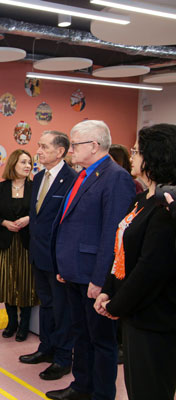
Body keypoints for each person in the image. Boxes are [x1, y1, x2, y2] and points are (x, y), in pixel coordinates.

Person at [46, 120, 135, 400]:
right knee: (81, 335)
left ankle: (102, 394)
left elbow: (113, 234)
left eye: (75, 144)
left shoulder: (116, 177)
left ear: (94, 146)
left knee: (101, 340)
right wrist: (63, 265)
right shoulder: (83, 174)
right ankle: (81, 386)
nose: (70, 149)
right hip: (74, 271)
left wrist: (100, 280)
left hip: (94, 276)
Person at [95, 123, 176, 400]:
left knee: (150, 391)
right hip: (134, 315)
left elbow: (150, 268)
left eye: (137, 151)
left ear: (154, 157)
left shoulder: (165, 207)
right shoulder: (141, 199)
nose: (132, 156)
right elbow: (121, 252)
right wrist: (108, 289)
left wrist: (117, 305)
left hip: (155, 319)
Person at [19, 131, 76, 381]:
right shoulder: (40, 176)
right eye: (39, 146)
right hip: (38, 254)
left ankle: (63, 358)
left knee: (62, 309)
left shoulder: (72, 179)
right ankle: (46, 347)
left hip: (58, 257)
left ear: (60, 151)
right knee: (46, 305)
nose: (38, 151)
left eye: (44, 147)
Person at [0, 149, 36, 342]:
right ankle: (11, 323)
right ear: (13, 164)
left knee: (26, 284)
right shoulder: (0, 188)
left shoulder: (35, 187)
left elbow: (41, 213)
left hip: (27, 243)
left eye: (29, 162)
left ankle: (24, 326)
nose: (27, 166)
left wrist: (28, 219)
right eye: (23, 162)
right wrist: (5, 223)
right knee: (7, 284)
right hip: (5, 243)